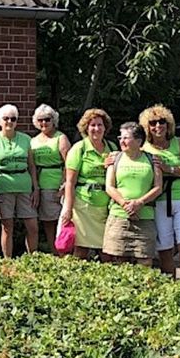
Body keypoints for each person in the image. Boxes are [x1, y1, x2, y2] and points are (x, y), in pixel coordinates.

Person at [140, 105, 180, 279]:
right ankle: (170, 287)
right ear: (147, 127)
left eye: (162, 122)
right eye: (153, 123)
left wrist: (169, 168)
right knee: (164, 248)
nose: (158, 126)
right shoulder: (144, 148)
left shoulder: (178, 142)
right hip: (159, 200)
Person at [104, 122, 163, 266]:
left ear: (138, 141)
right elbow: (110, 187)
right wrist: (126, 205)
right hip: (119, 216)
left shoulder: (152, 159)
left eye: (125, 138)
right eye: (120, 137)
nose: (121, 141)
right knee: (118, 260)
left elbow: (158, 187)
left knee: (145, 261)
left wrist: (139, 203)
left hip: (145, 216)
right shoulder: (115, 158)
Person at [60, 109, 117, 259]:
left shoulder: (112, 148)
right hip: (83, 205)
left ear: (105, 128)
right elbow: (70, 182)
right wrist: (68, 208)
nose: (96, 129)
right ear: (86, 128)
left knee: (107, 252)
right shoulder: (78, 149)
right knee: (81, 250)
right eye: (92, 125)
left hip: (106, 206)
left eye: (100, 125)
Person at [0, 104, 39, 257]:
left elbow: (32, 165)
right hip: (3, 186)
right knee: (7, 226)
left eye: (13, 119)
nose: (9, 122)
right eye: (6, 119)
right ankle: (7, 261)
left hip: (24, 185)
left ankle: (33, 259)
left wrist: (35, 188)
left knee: (32, 225)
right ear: (0, 121)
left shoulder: (26, 139)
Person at [31, 104, 70, 254]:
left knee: (62, 223)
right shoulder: (33, 141)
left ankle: (64, 253)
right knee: (47, 222)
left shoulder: (61, 138)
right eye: (40, 120)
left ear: (53, 120)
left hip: (58, 185)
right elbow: (32, 165)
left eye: (47, 119)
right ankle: (54, 252)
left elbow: (69, 163)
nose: (44, 123)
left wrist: (65, 183)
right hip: (42, 185)